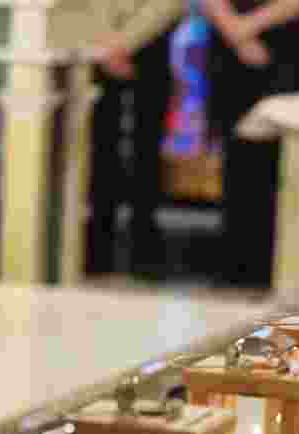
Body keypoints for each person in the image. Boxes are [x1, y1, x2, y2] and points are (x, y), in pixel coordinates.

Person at [202, 0, 299, 289]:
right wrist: (235, 32)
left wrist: (248, 26)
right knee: (237, 158)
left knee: (278, 163)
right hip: (229, 47)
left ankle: (273, 267)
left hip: (283, 45)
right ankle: (235, 264)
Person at [73, 0, 187, 278]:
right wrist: (105, 44)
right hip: (93, 49)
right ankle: (95, 248)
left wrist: (124, 43)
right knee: (98, 151)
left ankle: (144, 250)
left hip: (150, 43)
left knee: (146, 152)